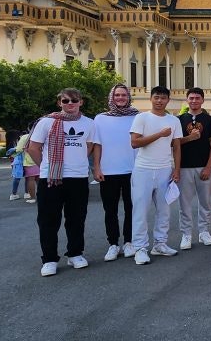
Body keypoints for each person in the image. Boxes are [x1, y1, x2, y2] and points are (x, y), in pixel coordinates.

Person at [26, 88, 96, 277]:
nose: (70, 104)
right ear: (59, 103)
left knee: (76, 218)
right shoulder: (46, 122)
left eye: (74, 100)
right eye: (66, 101)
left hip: (78, 178)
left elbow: (89, 146)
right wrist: (46, 167)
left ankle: (75, 254)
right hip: (51, 178)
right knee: (48, 220)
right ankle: (49, 259)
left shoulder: (89, 123)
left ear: (81, 102)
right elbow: (33, 148)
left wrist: (77, 162)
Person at [130, 86, 191, 265]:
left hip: (165, 169)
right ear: (151, 98)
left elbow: (177, 146)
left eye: (163, 98)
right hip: (143, 169)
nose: (159, 101)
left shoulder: (173, 120)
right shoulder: (142, 117)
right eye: (156, 97)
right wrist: (159, 134)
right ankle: (140, 247)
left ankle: (160, 243)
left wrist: (177, 169)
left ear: (168, 100)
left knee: (164, 210)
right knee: (140, 209)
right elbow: (135, 143)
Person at [92, 84, 139, 261]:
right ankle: (113, 243)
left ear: (129, 97)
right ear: (112, 97)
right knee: (110, 209)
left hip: (132, 170)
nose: (120, 98)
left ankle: (129, 242)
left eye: (124, 95)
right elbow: (97, 145)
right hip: (108, 171)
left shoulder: (137, 116)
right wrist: (96, 167)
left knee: (131, 208)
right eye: (117, 95)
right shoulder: (101, 118)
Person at [177, 88, 211, 250]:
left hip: (204, 166)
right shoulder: (179, 120)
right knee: (185, 203)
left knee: (205, 202)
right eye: (191, 98)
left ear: (202, 100)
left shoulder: (210, 120)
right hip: (184, 166)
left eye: (197, 98)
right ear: (187, 100)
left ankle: (204, 231)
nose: (194, 101)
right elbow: (174, 144)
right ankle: (186, 234)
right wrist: (190, 138)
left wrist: (209, 166)